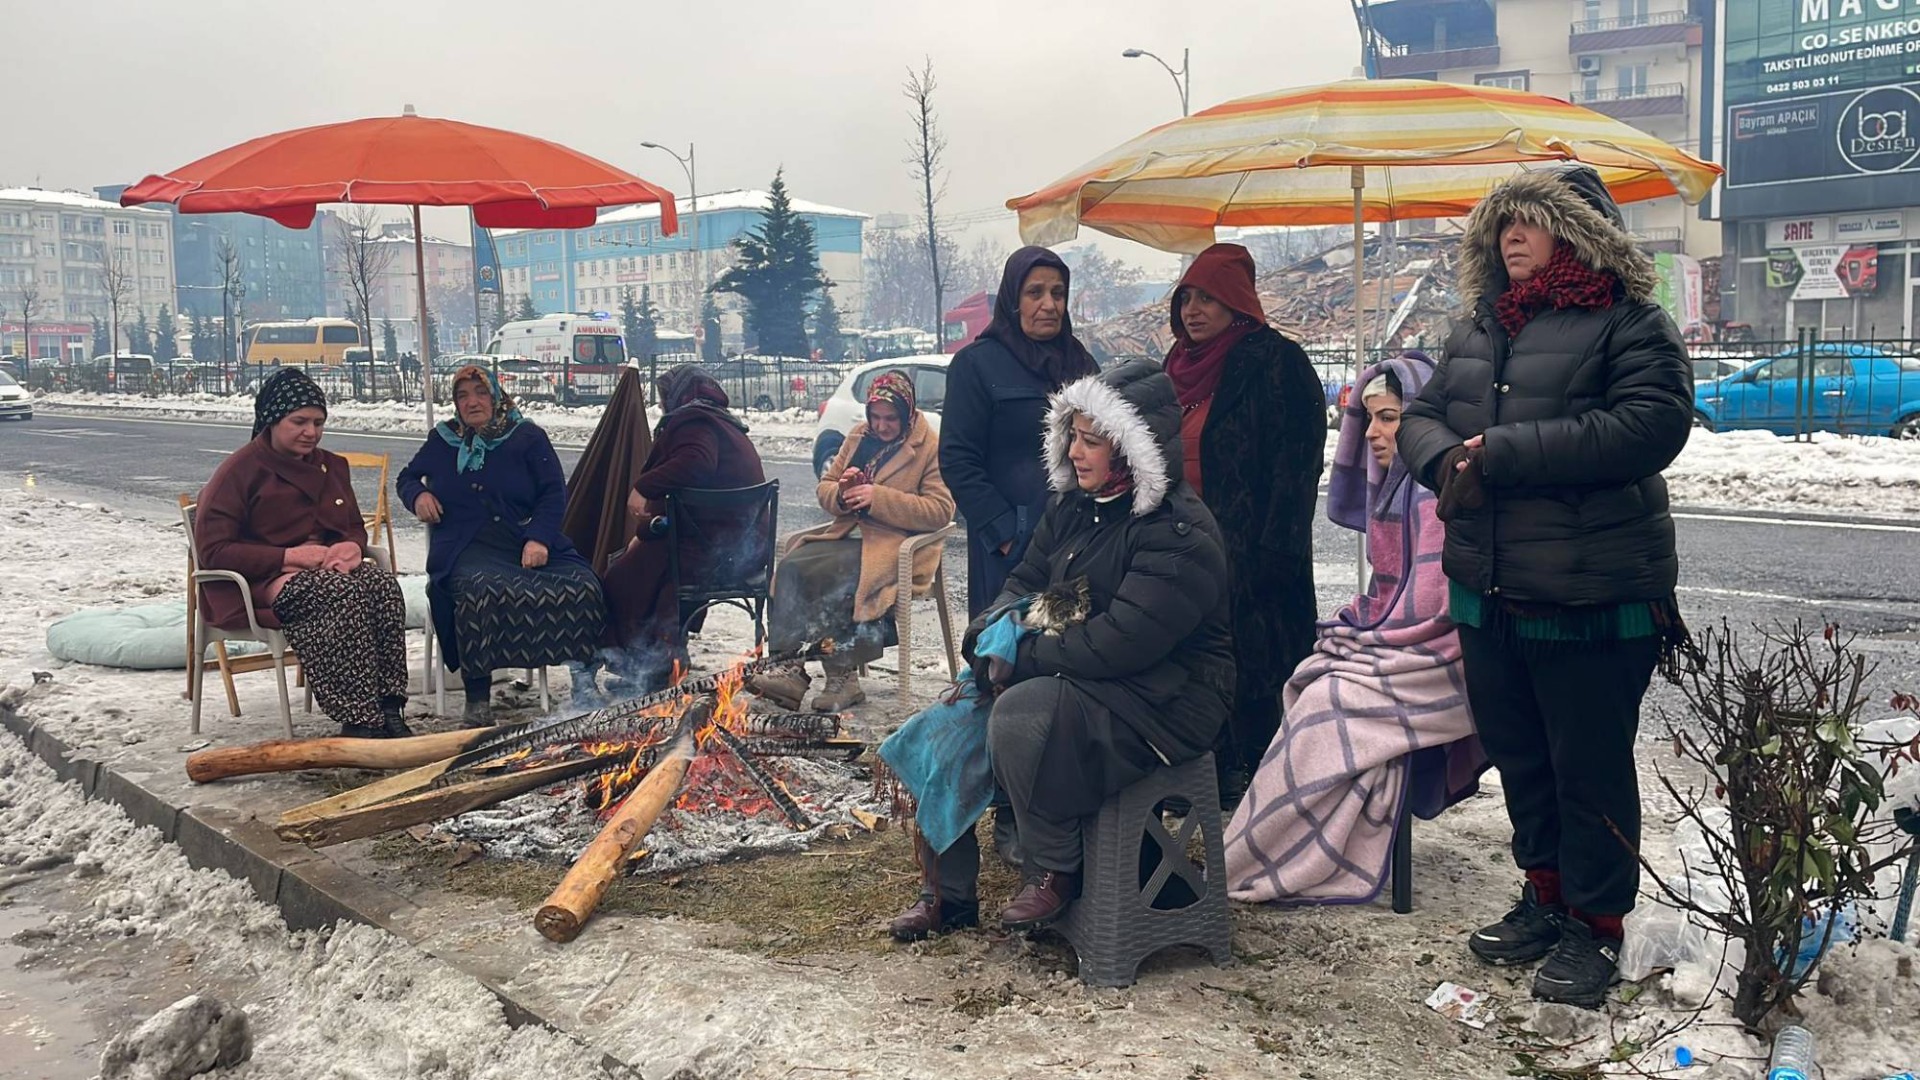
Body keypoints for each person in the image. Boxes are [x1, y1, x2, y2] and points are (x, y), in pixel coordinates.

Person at [1396, 165, 1693, 1009]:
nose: (1509, 237)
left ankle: (1596, 927)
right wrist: (1446, 457)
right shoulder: (1480, 328)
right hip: (1489, 587)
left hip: (1591, 592)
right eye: (1502, 224)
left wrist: (1503, 452)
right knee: (1521, 758)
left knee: (1587, 767)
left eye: (1529, 222)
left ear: (1581, 234)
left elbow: (1650, 425)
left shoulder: (1630, 323)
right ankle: (1547, 895)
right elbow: (1423, 416)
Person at [890, 359, 1235, 940]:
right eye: (1072, 435)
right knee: (941, 728)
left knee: (1022, 716)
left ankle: (1054, 866)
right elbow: (1023, 582)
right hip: (1085, 673)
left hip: (1165, 695)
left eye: (1093, 440)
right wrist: (989, 637)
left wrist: (1021, 660)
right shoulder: (1075, 505)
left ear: (1131, 448)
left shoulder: (1177, 532)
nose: (1076, 451)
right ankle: (947, 894)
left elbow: (1121, 643)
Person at [1223, 353, 1487, 905]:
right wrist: (1358, 628)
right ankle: (1291, 843)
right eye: (1367, 419)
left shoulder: (1435, 495)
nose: (1373, 433)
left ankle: (1261, 856)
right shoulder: (1394, 491)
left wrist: (1366, 639)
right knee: (1311, 679)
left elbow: (1433, 614)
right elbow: (1391, 599)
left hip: (1439, 662)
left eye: (1390, 417)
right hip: (1398, 647)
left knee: (1325, 701)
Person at [1161, 242, 1326, 801]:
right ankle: (1200, 764)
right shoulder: (1173, 368)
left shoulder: (1277, 363)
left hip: (1252, 554)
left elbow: (1297, 465)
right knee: (1188, 662)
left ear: (1238, 302)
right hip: (1179, 547)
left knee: (1251, 666)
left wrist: (1268, 552)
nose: (1194, 311)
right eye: (1187, 298)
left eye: (1209, 298)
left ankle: (1253, 770)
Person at [195, 368, 410, 739]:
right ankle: (358, 718)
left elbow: (352, 525)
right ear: (273, 420)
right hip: (259, 583)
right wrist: (289, 558)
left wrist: (351, 546)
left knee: (381, 586)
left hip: (326, 567)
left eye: (318, 422)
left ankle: (389, 705)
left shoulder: (332, 466)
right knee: (338, 594)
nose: (311, 432)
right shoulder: (240, 471)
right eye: (299, 421)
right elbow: (214, 550)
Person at [398, 366, 606, 727]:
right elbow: (407, 477)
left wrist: (539, 537)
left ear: (496, 396)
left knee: (582, 584)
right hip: (467, 547)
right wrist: (418, 495)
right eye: (463, 395)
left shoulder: (526, 436)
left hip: (522, 539)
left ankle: (584, 683)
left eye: (480, 392)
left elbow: (554, 491)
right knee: (478, 593)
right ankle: (477, 697)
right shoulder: (443, 439)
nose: (472, 402)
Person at [749, 371, 955, 712]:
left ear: (907, 414)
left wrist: (879, 497)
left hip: (894, 544)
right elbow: (825, 487)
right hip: (848, 534)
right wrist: (842, 495)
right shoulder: (859, 436)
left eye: (890, 418)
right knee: (792, 566)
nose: (882, 425)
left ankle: (843, 678)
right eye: (875, 417)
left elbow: (940, 510)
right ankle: (790, 665)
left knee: (837, 574)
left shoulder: (927, 445)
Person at [939, 246, 1100, 620]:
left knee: (1073, 651)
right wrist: (1007, 533)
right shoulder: (977, 365)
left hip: (1081, 541)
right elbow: (958, 459)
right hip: (1010, 551)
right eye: (1035, 293)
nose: (1049, 304)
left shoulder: (1081, 364)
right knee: (1006, 654)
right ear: (1013, 299)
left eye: (1057, 293)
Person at [599, 364, 765, 688]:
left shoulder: (695, 421)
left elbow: (696, 462)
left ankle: (651, 666)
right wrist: (650, 530)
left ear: (681, 395)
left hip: (715, 551)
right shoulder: (719, 420)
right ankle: (658, 664)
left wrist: (645, 487)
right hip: (738, 547)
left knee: (621, 576)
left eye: (664, 397)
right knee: (647, 565)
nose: (662, 405)